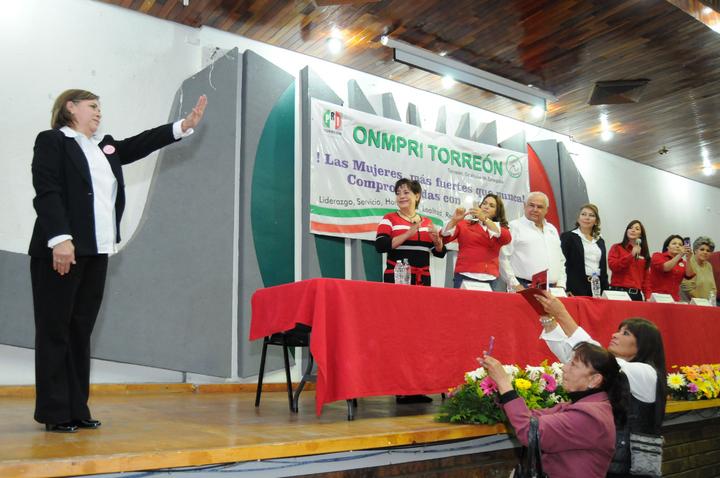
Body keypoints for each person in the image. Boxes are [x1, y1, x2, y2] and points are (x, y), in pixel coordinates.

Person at [29, 89, 207, 433]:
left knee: (80, 332)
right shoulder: (53, 141)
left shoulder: (103, 147)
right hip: (61, 251)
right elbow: (46, 189)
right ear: (70, 107)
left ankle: (76, 408)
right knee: (55, 330)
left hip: (96, 251)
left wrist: (183, 126)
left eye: (100, 108)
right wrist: (60, 238)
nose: (99, 113)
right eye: (92, 106)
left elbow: (140, 144)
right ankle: (54, 412)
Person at [535, 292, 668, 477]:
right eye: (618, 330)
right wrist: (548, 320)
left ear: (643, 345)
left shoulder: (647, 373)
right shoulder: (616, 369)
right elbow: (573, 357)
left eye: (625, 333)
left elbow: (590, 355)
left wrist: (562, 314)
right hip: (612, 461)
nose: (615, 335)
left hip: (632, 467)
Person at [481, 342, 624, 478]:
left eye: (573, 365)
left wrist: (504, 382)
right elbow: (530, 417)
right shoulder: (579, 406)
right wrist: (502, 388)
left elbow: (529, 432)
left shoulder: (590, 416)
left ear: (594, 380)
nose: (564, 368)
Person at [375, 178, 446, 286]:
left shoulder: (427, 222)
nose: (401, 196)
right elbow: (380, 246)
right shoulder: (389, 218)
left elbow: (440, 253)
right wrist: (407, 234)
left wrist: (437, 242)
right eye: (398, 193)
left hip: (422, 279)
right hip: (397, 278)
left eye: (406, 192)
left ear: (417, 196)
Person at [441, 193, 511, 290]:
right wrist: (454, 220)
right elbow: (444, 237)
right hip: (464, 275)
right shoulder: (465, 224)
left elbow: (507, 238)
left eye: (491, 206)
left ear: (496, 212)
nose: (486, 207)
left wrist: (485, 219)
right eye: (484, 203)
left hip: (490, 278)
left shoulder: (499, 229)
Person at [500, 191, 566, 291]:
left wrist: (561, 284)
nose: (535, 209)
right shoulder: (513, 227)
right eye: (531, 205)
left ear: (546, 210)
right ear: (524, 206)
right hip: (524, 287)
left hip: (554, 289)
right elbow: (503, 258)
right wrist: (515, 285)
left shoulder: (552, 229)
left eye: (540, 207)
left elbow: (561, 260)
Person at [560, 204, 608, 296]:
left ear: (596, 221)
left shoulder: (600, 240)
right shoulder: (568, 237)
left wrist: (606, 290)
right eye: (583, 214)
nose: (587, 218)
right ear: (578, 219)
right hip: (575, 287)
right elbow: (562, 264)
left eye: (591, 215)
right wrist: (566, 288)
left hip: (597, 286)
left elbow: (603, 267)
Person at [607, 220, 650, 301]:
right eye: (630, 228)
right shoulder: (617, 247)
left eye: (637, 229)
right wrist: (631, 256)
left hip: (636, 295)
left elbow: (646, 279)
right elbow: (613, 266)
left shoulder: (643, 254)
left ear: (641, 235)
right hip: (618, 292)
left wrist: (648, 297)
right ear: (627, 231)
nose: (633, 230)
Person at [646, 235, 695, 301]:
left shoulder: (683, 262)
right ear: (667, 247)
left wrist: (688, 259)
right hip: (657, 296)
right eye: (674, 243)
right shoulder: (657, 256)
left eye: (680, 245)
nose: (677, 246)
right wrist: (680, 255)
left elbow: (689, 275)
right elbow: (666, 268)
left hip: (674, 299)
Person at [680, 237, 716, 302]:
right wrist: (702, 302)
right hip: (692, 303)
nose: (705, 252)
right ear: (695, 250)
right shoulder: (688, 263)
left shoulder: (708, 265)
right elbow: (688, 289)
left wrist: (711, 301)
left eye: (708, 251)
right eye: (702, 249)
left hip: (708, 303)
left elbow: (713, 288)